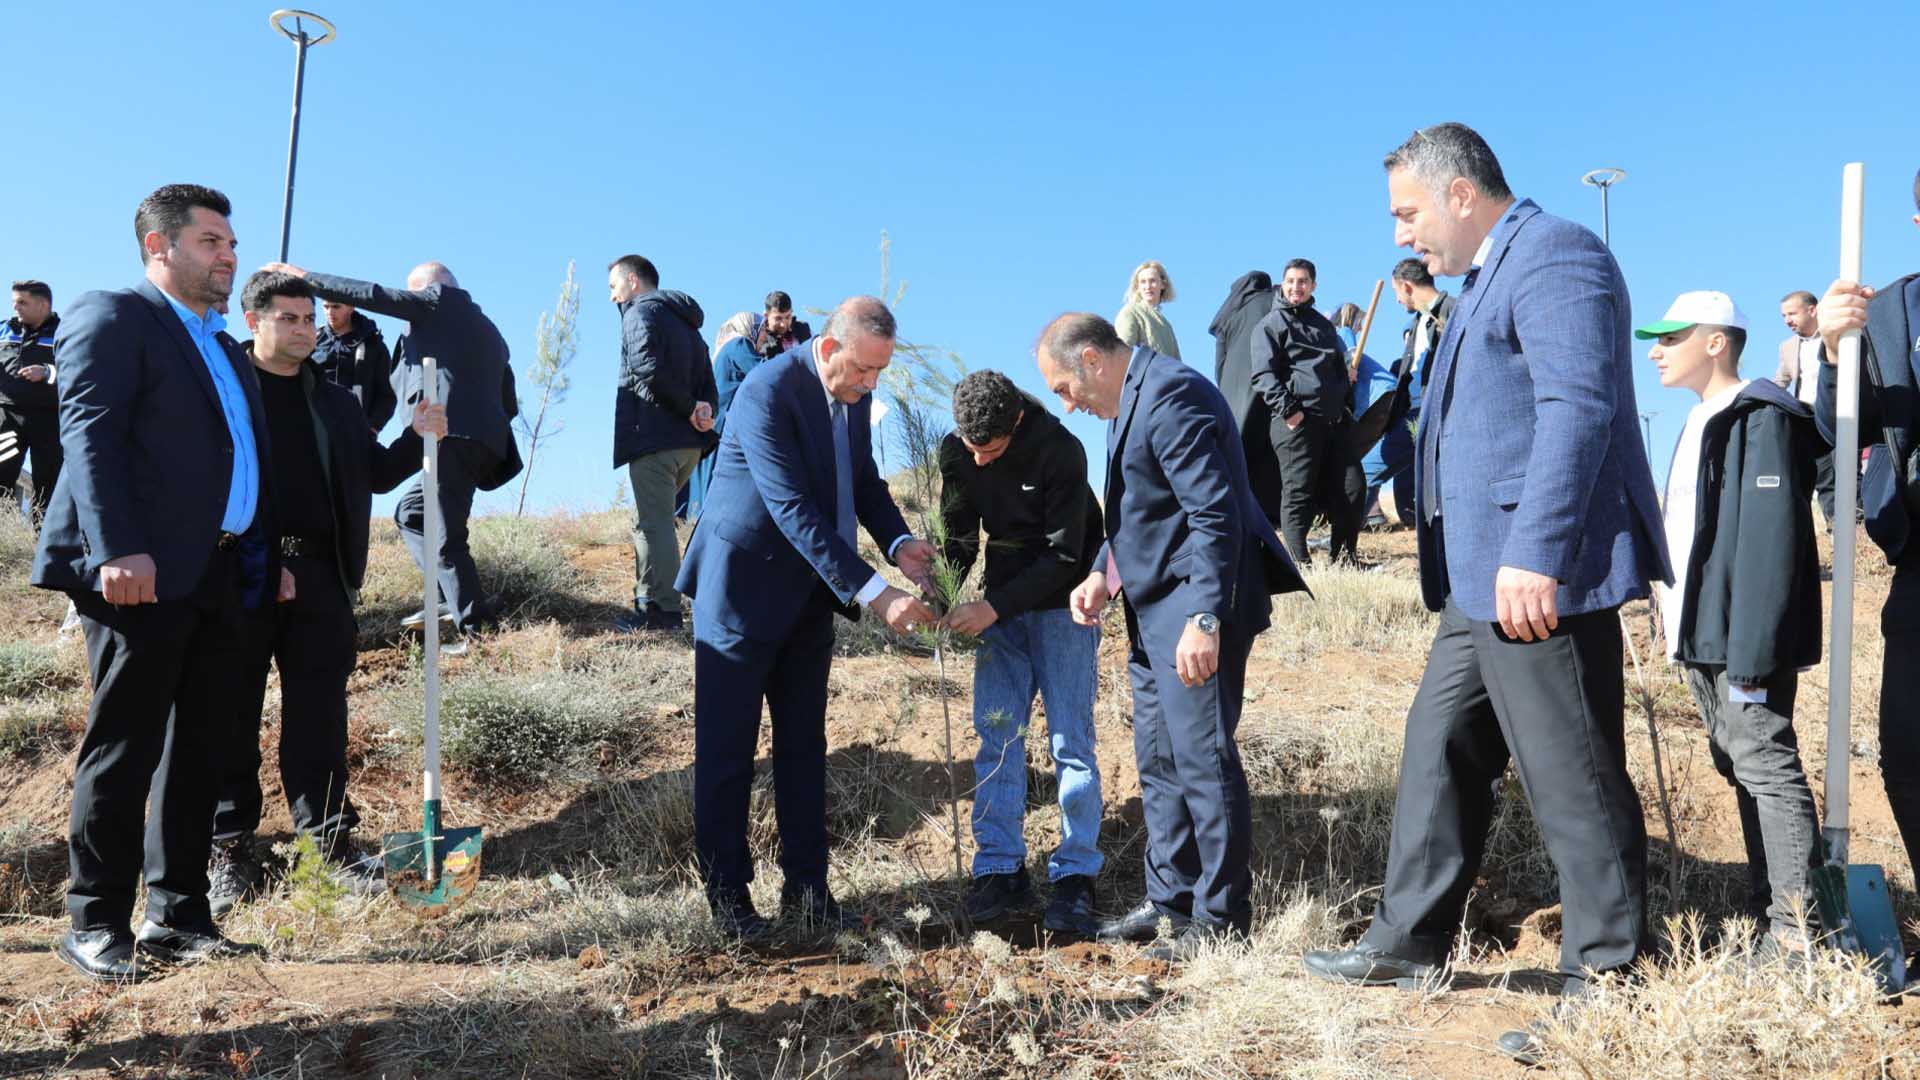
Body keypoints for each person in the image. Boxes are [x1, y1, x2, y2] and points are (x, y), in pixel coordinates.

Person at [1300, 124, 1670, 1066]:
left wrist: (1536, 550)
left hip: (1534, 574)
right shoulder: (1482, 281)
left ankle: (1611, 977)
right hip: (1478, 580)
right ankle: (1410, 940)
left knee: (1570, 770)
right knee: (1439, 748)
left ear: (1460, 194)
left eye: (1408, 212)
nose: (1401, 234)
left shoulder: (1557, 254)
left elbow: (1578, 407)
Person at [33, 184, 277, 980]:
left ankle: (177, 915)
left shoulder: (226, 348)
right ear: (158, 246)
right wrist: (119, 547)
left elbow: (244, 461)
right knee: (126, 745)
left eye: (231, 243)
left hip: (221, 571)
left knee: (201, 749)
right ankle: (94, 922)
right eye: (211, 241)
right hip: (138, 569)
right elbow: (89, 434)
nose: (229, 255)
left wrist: (264, 560)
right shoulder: (114, 315)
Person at [1036, 313, 1306, 961]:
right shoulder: (1127, 402)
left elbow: (1213, 515)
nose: (1067, 405)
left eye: (1064, 389)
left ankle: (1220, 920)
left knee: (1202, 761)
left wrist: (1204, 619)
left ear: (1093, 360)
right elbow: (1142, 512)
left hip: (1194, 612)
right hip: (1152, 615)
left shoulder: (1172, 395)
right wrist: (1102, 575)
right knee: (1159, 762)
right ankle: (1171, 902)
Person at [675, 296, 939, 939]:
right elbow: (791, 506)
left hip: (808, 597)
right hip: (739, 592)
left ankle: (808, 891)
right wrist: (876, 593)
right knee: (728, 753)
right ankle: (729, 899)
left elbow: (863, 480)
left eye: (880, 373)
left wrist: (899, 542)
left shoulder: (852, 398)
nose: (870, 384)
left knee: (803, 749)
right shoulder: (767, 392)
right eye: (864, 369)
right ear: (827, 348)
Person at [206, 270, 448, 915]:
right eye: (288, 318)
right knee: (231, 712)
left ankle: (328, 846)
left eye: (309, 319)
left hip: (320, 577)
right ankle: (229, 850)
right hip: (241, 572)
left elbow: (374, 474)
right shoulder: (224, 389)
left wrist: (418, 434)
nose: (305, 330)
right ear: (253, 321)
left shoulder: (336, 402)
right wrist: (260, 558)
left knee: (319, 718)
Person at [1637, 290, 1822, 953]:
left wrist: (1755, 647)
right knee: (1739, 764)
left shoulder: (1759, 417)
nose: (1655, 352)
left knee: (1766, 765)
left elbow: (1771, 542)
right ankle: (1768, 908)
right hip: (1703, 634)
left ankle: (1796, 936)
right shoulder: (1699, 421)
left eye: (1671, 338)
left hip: (1742, 637)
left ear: (1715, 342)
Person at [263, 259, 522, 641]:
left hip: (450, 434)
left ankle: (477, 627)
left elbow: (374, 295)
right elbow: (508, 397)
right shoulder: (489, 330)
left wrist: (307, 279)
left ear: (431, 287)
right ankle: (448, 597)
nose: (409, 303)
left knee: (444, 532)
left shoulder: (437, 301)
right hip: (481, 441)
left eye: (413, 292)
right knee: (412, 513)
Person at [937, 370, 1106, 935]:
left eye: (991, 451)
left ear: (1015, 422)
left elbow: (1065, 556)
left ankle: (1075, 875)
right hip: (1002, 609)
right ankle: (999, 868)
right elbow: (960, 537)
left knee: (1070, 741)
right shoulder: (958, 452)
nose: (979, 461)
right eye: (971, 449)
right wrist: (942, 595)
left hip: (1065, 607)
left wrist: (992, 608)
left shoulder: (1061, 450)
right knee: (997, 736)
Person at [1810, 164, 1920, 898]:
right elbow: (1838, 428)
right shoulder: (1891, 313)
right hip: (1918, 565)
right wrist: (1831, 352)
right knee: (1907, 753)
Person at [607, 254, 717, 633]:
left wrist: (689, 408)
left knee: (655, 525)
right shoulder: (687, 324)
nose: (612, 296)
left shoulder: (639, 312)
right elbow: (707, 379)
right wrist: (704, 411)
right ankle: (649, 602)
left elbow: (645, 367)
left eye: (614, 286)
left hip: (654, 438)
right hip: (689, 444)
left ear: (633, 281)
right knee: (650, 521)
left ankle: (663, 612)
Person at [1251, 258, 1356, 565]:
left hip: (1333, 421)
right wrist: (1291, 412)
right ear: (1283, 285)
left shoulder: (1324, 326)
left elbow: (1336, 368)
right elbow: (1263, 376)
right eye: (1291, 281)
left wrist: (1346, 383)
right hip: (1296, 422)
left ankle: (1344, 560)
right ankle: (1300, 563)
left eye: (1303, 281)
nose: (1296, 287)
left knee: (1352, 487)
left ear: (1313, 286)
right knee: (1299, 493)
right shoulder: (1270, 325)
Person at [1386, 258, 1455, 525]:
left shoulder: (1453, 311)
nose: (1396, 300)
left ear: (1406, 286)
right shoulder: (1417, 322)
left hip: (1436, 413)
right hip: (1412, 412)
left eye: (1396, 292)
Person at [1209, 271, 1282, 518]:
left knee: (1235, 454)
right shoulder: (1272, 301)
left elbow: (1220, 363)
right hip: (1267, 384)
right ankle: (1268, 514)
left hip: (1232, 395)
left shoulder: (1228, 314)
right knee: (1268, 453)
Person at [685, 311, 760, 520]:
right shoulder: (739, 344)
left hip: (709, 427)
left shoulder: (722, 350)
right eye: (762, 329)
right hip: (724, 427)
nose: (765, 336)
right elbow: (762, 372)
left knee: (703, 488)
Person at [1774, 290, 1837, 529]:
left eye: (1791, 314)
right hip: (1809, 418)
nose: (1787, 320)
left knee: (1847, 471)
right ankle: (1834, 527)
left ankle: (1857, 526)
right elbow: (1781, 381)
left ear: (1812, 310)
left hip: (1840, 413)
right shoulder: (1787, 347)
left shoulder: (1837, 334)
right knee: (1822, 475)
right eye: (1783, 316)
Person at [1, 279, 61, 522]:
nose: (15, 307)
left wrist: (47, 372)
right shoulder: (4, 330)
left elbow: (81, 370)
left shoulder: (64, 334)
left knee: (48, 484)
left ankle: (43, 540)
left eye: (22, 302)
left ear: (43, 305)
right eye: (14, 302)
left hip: (49, 420)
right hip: (7, 418)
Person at [1333, 302, 1392, 542]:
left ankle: (1352, 519)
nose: (1358, 329)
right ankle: (1372, 513)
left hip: (1376, 399)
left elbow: (1351, 358)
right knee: (1359, 459)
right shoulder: (1341, 331)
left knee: (1350, 461)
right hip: (1386, 396)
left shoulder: (1341, 331)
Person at [312, 299, 397, 432]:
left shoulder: (374, 346)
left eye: (336, 306)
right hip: (315, 429)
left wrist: (373, 428)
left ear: (351, 307)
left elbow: (386, 395)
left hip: (355, 431)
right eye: (326, 307)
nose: (330, 312)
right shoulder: (313, 341)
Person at [1114, 260, 1181, 360]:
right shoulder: (1131, 312)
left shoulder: (1167, 325)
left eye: (1152, 281)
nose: (1147, 286)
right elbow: (1122, 354)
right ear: (1138, 287)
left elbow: (1177, 364)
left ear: (1163, 284)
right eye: (1143, 282)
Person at [753, 290, 812, 358]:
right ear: (766, 316)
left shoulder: (803, 329)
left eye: (787, 317)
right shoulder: (763, 344)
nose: (783, 324)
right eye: (778, 319)